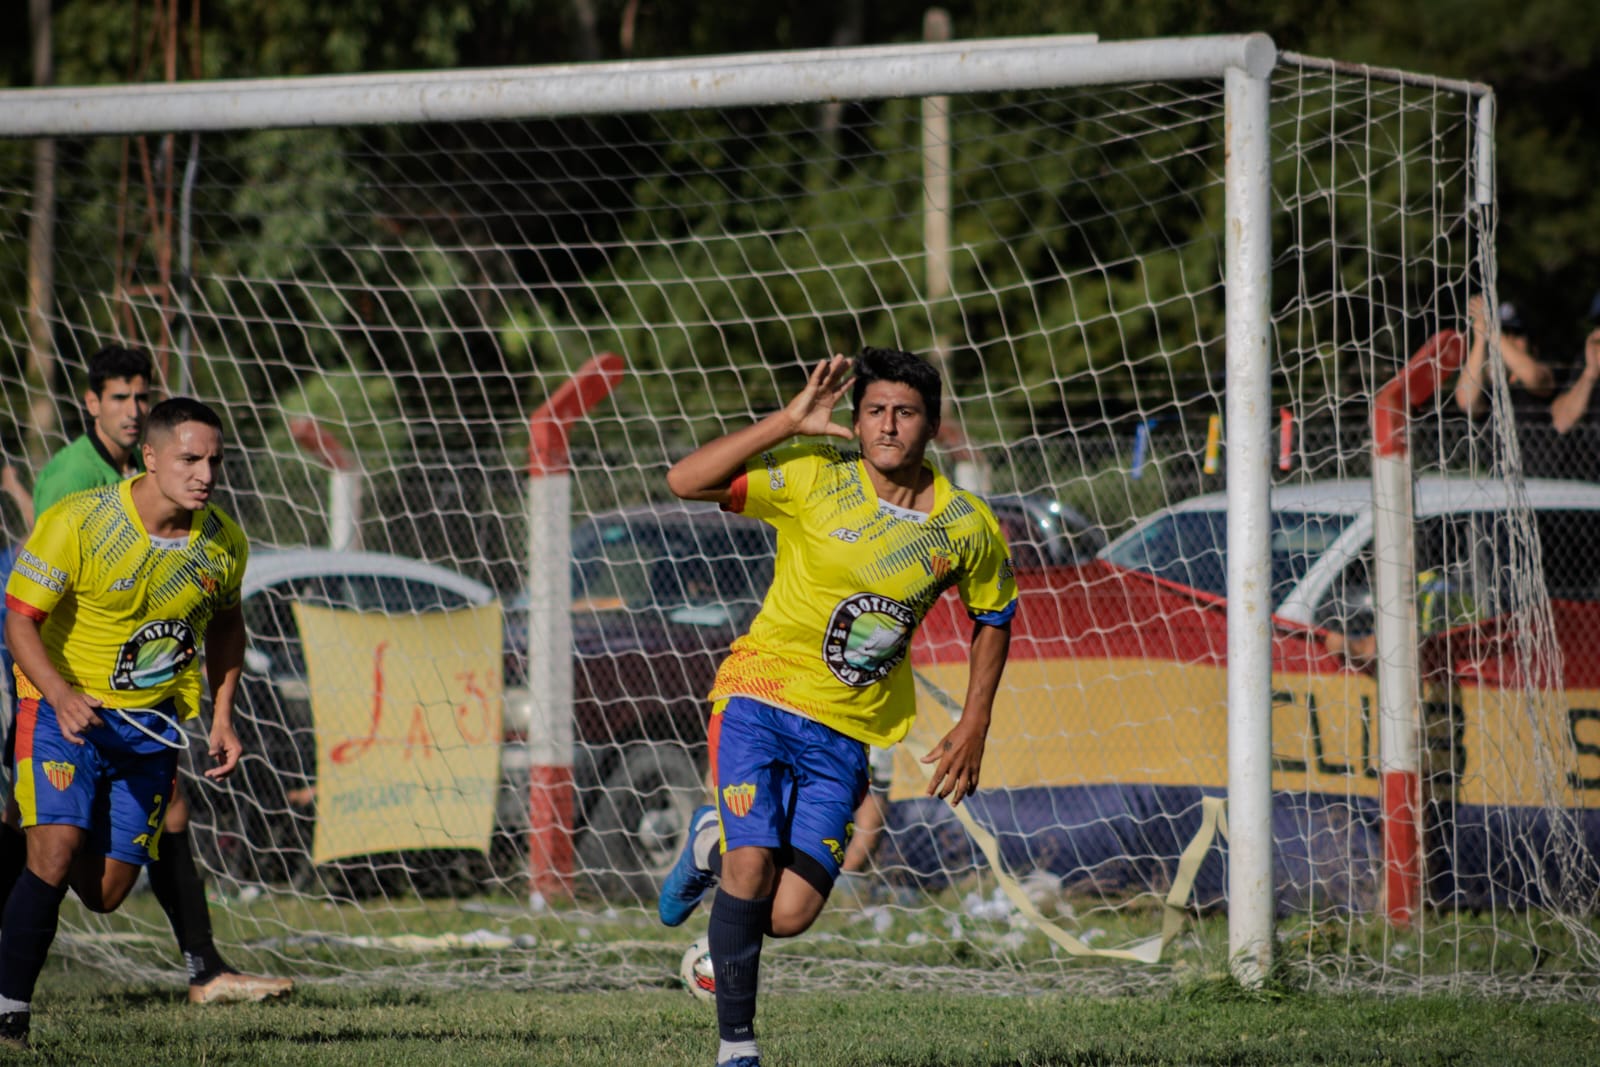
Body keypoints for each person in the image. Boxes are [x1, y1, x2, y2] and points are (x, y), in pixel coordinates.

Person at [656, 347, 1016, 1067]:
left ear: (930, 424)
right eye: (875, 411)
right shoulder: (816, 477)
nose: (888, 426)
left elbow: (994, 615)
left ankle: (709, 840)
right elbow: (684, 480)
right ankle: (737, 1048)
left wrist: (974, 721)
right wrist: (788, 420)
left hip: (847, 731)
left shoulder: (967, 525)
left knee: (786, 914)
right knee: (752, 868)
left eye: (905, 412)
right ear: (854, 423)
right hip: (758, 695)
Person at [0, 347, 291, 1008]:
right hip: (59, 707)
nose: (206, 473)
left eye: (215, 460)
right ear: (152, 460)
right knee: (53, 851)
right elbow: (19, 622)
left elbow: (226, 624)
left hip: (149, 723)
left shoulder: (222, 542)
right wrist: (62, 693)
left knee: (103, 893)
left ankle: (25, 834)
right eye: (190, 459)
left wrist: (222, 715)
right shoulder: (79, 516)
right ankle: (9, 1016)